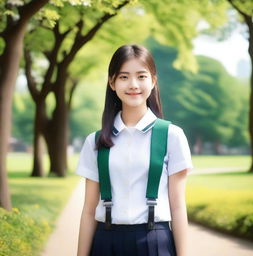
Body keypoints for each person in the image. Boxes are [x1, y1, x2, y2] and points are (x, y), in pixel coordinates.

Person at [76, 44, 193, 256]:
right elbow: (88, 211)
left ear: (153, 81)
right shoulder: (95, 141)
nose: (133, 85)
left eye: (141, 76)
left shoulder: (172, 136)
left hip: (155, 241)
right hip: (105, 241)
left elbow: (178, 207)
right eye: (123, 77)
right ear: (112, 82)